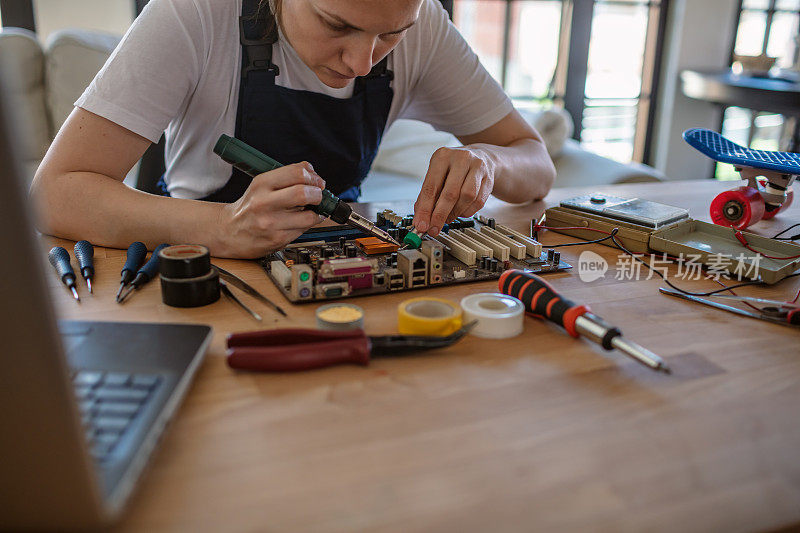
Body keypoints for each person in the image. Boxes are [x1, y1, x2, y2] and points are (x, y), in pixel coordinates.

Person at [31, 0, 555, 259]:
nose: (361, 61)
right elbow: (55, 194)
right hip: (207, 267)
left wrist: (489, 162)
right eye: (336, 25)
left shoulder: (428, 28)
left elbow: (535, 164)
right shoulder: (194, 14)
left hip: (342, 260)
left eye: (391, 35)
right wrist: (225, 226)